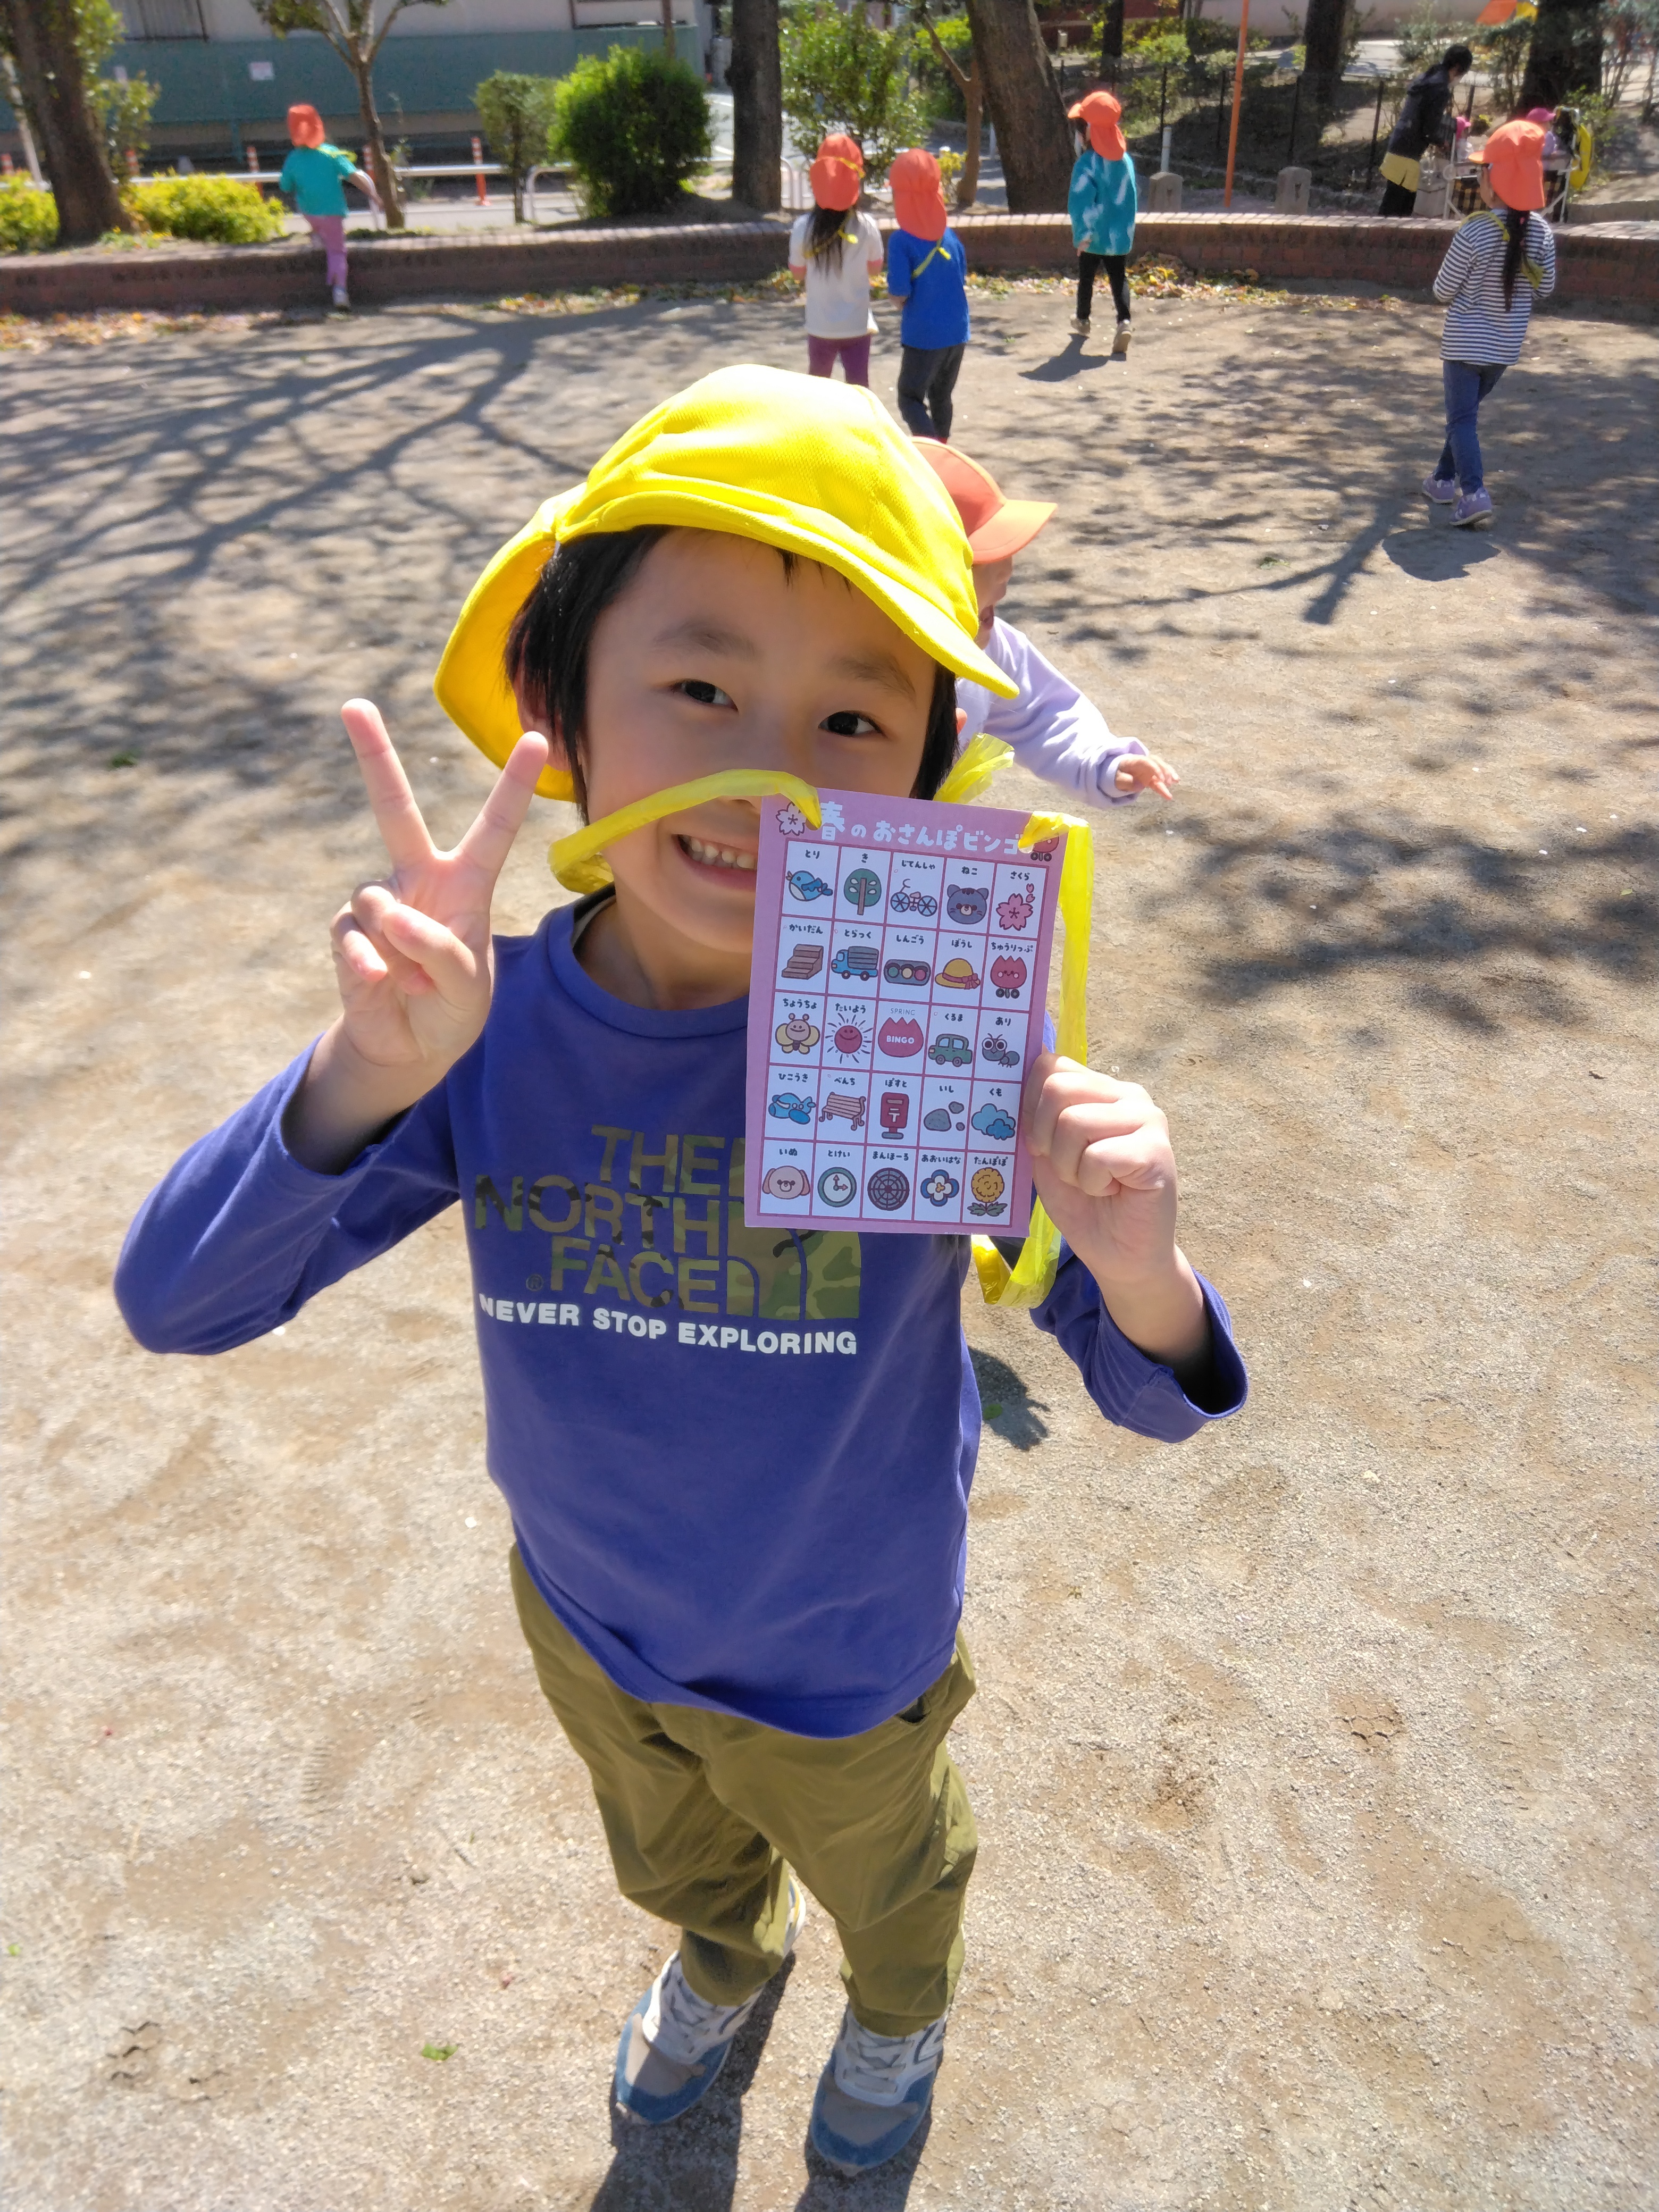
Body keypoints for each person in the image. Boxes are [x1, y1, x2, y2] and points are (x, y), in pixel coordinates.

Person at [114, 365, 1246, 2178]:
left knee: (895, 1887)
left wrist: (1139, 1262)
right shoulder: (481, 1037)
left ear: (928, 766)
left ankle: (898, 2013)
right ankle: (726, 1957)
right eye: (702, 688)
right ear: (560, 709)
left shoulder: (925, 1026)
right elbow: (179, 1299)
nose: (766, 767)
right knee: (683, 1866)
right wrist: (363, 1074)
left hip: (851, 1657)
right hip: (592, 1622)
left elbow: (1154, 1395)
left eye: (853, 718)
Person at [915, 437, 1177, 806]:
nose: (1006, 572)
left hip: (919, 837)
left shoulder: (989, 650)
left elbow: (1043, 712)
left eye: (1005, 554)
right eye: (977, 561)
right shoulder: (840, 661)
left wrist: (1101, 762)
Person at [1422, 120, 1556, 529]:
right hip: (1503, 350)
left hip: (1464, 345)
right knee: (1463, 417)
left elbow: (1442, 290)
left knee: (1461, 420)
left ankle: (1474, 493)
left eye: (1483, 171)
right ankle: (1442, 481)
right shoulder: (1542, 233)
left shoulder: (1474, 231)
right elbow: (1546, 288)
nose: (1479, 177)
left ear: (1495, 181)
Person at [885, 148, 970, 441]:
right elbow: (960, 277)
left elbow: (900, 293)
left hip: (924, 336)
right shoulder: (951, 237)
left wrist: (897, 302)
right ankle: (943, 449)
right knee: (941, 395)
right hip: (958, 332)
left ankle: (932, 453)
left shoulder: (901, 241)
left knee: (909, 397)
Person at [787, 134, 884, 387]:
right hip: (857, 325)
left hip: (820, 326)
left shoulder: (803, 227)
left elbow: (797, 274)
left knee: (819, 389)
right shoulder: (867, 226)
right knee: (859, 387)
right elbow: (875, 270)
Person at [278, 102, 381, 311]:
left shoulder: (293, 158)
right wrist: (374, 195)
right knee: (337, 252)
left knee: (307, 209)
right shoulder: (331, 154)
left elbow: (285, 186)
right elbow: (354, 176)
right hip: (333, 212)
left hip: (309, 211)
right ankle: (340, 291)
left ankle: (317, 234)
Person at [1067, 90, 1137, 357]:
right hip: (1119, 236)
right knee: (1119, 278)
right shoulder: (1126, 162)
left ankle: (1083, 320)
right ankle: (1125, 322)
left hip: (1093, 236)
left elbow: (1080, 203)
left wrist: (1082, 235)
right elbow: (1131, 199)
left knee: (1086, 277)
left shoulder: (1086, 164)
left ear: (1088, 132)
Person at [1378, 46, 1472, 216]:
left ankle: (1381, 232)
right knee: (1396, 209)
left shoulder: (1428, 77)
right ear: (1458, 68)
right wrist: (1441, 141)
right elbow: (1429, 126)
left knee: (1398, 204)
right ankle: (1379, 234)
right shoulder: (1440, 89)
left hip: (1399, 145)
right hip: (1408, 153)